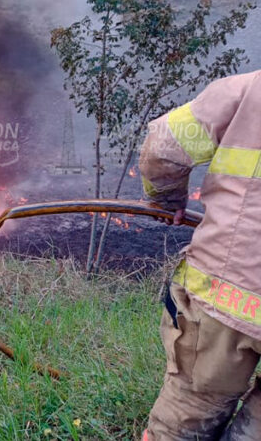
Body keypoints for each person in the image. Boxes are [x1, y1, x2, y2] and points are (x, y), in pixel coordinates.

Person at [139, 69, 261, 440]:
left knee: (188, 413)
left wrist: (167, 201)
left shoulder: (247, 90)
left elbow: (163, 148)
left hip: (228, 295)